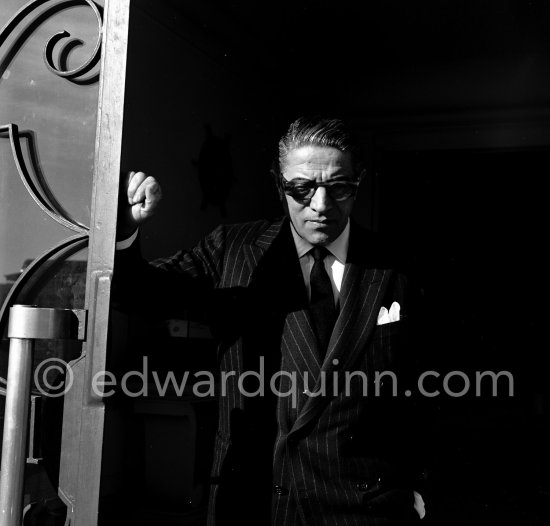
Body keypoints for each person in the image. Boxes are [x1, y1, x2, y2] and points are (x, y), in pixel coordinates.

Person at [115, 116, 426, 525]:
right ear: (278, 185)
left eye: (339, 188)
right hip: (253, 501)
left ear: (359, 182)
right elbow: (135, 293)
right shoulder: (232, 248)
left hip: (362, 507)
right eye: (302, 188)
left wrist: (419, 493)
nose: (321, 205)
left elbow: (427, 387)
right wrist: (121, 226)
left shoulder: (399, 267)